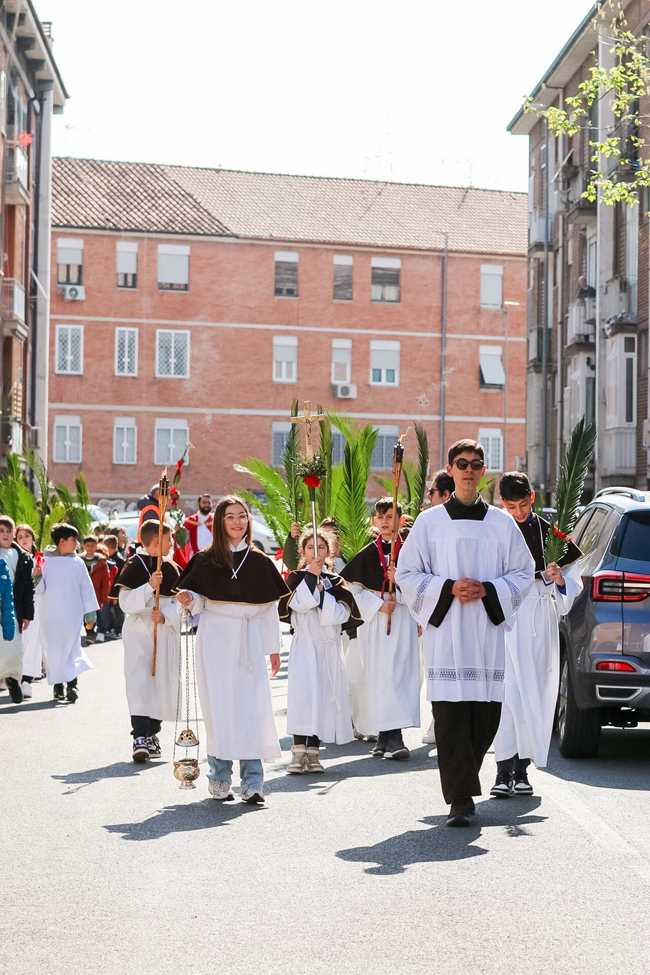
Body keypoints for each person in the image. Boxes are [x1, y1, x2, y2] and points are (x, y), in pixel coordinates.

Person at [395, 439, 534, 827]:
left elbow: (523, 573)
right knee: (451, 715)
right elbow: (406, 574)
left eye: (476, 463)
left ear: (483, 470)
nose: (469, 469)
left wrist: (488, 590)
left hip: (486, 633)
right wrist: (448, 588)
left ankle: (464, 783)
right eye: (461, 463)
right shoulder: (429, 522)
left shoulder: (502, 524)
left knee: (486, 716)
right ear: (451, 470)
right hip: (448, 631)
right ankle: (460, 799)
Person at [175, 495, 290, 804]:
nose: (238, 521)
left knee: (251, 710)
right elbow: (199, 601)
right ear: (219, 522)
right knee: (219, 709)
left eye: (243, 516)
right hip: (214, 640)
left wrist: (273, 649)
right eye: (231, 516)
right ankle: (219, 777)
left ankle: (252, 782)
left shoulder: (261, 562)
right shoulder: (205, 559)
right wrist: (190, 599)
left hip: (250, 642)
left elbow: (267, 610)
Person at [491, 472, 583, 797]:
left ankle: (523, 769)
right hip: (505, 619)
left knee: (535, 692)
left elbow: (574, 583)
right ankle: (503, 769)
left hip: (539, 621)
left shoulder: (550, 533)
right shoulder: (495, 531)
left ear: (532, 497)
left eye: (524, 504)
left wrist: (559, 579)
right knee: (506, 695)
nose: (518, 512)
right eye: (511, 506)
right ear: (502, 503)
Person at [341, 498, 421, 760]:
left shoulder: (412, 553)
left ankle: (394, 735)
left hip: (402, 620)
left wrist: (399, 580)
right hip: (374, 623)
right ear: (375, 521)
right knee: (378, 675)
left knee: (397, 674)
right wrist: (377, 605)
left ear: (401, 520)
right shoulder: (366, 554)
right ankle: (385, 736)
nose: (386, 522)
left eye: (391, 516)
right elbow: (353, 589)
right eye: (381, 517)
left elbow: (423, 587)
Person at [280, 528, 361, 774]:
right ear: (303, 552)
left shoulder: (336, 582)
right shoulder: (295, 578)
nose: (316, 552)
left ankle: (313, 753)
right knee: (303, 697)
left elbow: (341, 614)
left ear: (330, 551)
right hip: (305, 646)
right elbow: (297, 606)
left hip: (327, 647)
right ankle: (297, 752)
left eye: (322, 548)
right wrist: (310, 581)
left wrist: (323, 592)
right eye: (311, 548)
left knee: (324, 697)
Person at [112, 521, 181, 762]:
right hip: (139, 630)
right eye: (169, 540)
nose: (172, 544)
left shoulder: (171, 566)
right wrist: (149, 586)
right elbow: (125, 603)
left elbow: (180, 603)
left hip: (163, 629)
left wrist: (166, 615)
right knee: (139, 681)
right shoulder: (134, 564)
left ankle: (153, 733)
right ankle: (139, 736)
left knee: (161, 680)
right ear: (155, 541)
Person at [36, 524, 99, 703]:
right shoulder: (44, 561)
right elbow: (39, 589)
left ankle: (72, 685)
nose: (76, 543)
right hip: (50, 615)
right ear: (62, 541)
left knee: (72, 648)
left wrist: (90, 614)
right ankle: (58, 686)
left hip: (72, 615)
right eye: (73, 540)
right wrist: (37, 575)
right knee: (54, 650)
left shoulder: (77, 562)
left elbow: (86, 588)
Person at [421, 468, 456, 745]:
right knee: (439, 666)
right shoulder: (428, 523)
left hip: (468, 609)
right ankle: (439, 719)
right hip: (438, 610)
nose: (428, 497)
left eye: (431, 492)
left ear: (445, 494)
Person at [0, 516, 35, 703]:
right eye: (1, 531)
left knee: (13, 648)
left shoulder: (23, 557)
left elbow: (28, 589)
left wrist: (28, 614)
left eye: (8, 531)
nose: (5, 535)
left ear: (13, 533)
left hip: (13, 611)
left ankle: (13, 680)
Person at [15, 524, 43, 690]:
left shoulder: (40, 560)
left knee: (32, 641)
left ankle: (26, 680)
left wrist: (39, 577)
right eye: (20, 537)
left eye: (27, 536)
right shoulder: (12, 558)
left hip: (35, 607)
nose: (24, 540)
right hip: (17, 605)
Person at [81, 535, 112, 642]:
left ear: (96, 546)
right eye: (88, 545)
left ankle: (101, 631)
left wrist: (105, 595)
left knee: (101, 614)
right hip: (85, 593)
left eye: (92, 545)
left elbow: (105, 579)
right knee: (87, 613)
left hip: (97, 592)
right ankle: (90, 633)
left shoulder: (101, 561)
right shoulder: (80, 560)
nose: (90, 548)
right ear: (83, 546)